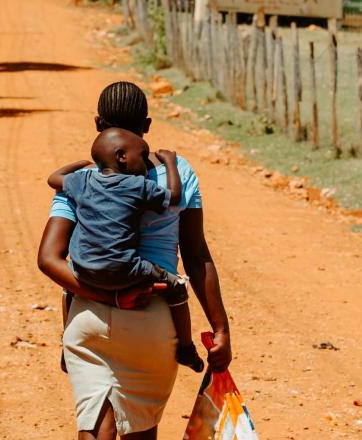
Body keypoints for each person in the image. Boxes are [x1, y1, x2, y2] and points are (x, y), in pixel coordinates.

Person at [36, 81, 233, 440]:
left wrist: (107, 298)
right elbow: (195, 254)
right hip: (152, 319)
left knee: (93, 424)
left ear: (98, 124)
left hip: (86, 314)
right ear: (147, 126)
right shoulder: (178, 172)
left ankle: (67, 348)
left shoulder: (81, 180)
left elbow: (49, 259)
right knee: (138, 429)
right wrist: (220, 329)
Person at [44, 128, 203, 373]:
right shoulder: (137, 185)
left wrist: (79, 165)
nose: (147, 160)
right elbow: (174, 196)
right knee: (177, 287)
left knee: (69, 290)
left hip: (84, 270)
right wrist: (170, 163)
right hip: (125, 268)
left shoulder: (82, 180)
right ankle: (186, 348)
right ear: (122, 157)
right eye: (144, 154)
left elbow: (54, 178)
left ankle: (67, 347)